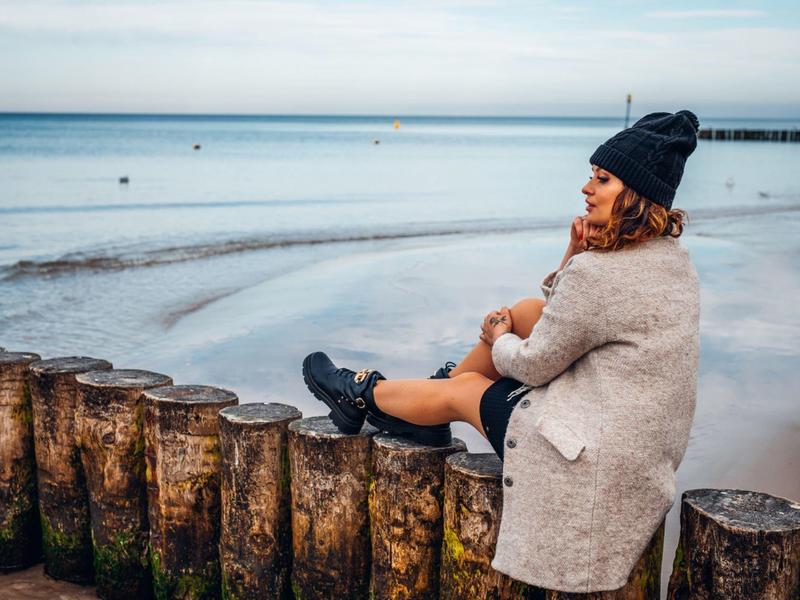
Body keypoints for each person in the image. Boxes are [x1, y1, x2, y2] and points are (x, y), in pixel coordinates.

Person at [301, 110, 701, 593]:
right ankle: (421, 406)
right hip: (632, 449)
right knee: (529, 309)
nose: (585, 188)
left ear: (633, 195)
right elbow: (566, 317)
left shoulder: (602, 277)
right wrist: (575, 254)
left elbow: (534, 364)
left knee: (469, 388)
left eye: (602, 178)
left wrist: (497, 338)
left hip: (588, 462)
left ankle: (363, 395)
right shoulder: (671, 263)